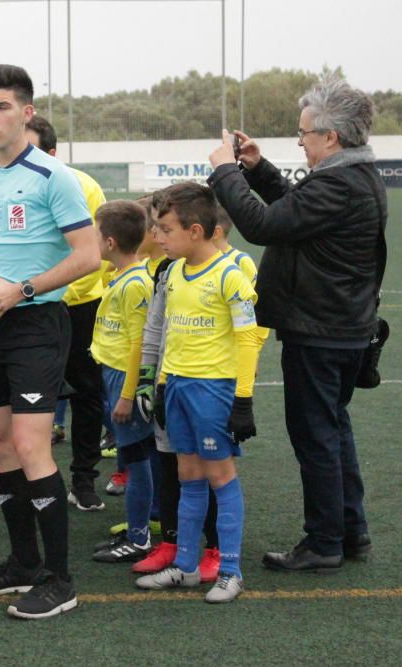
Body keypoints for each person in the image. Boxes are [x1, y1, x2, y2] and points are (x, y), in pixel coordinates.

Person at [207, 75, 386, 572]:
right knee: (332, 429)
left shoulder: (339, 183)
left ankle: (325, 540)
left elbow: (265, 225)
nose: (301, 142)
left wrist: (226, 173)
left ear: (331, 137)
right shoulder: (354, 176)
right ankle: (350, 532)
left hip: (322, 329)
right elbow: (293, 210)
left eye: (303, 134)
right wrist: (258, 169)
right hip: (341, 325)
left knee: (316, 435)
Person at [0, 64, 99, 620]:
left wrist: (21, 289)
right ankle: (23, 564)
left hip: (35, 320)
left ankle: (61, 581)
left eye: (2, 107)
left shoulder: (52, 176)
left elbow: (88, 255)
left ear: (26, 112)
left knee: (32, 444)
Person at [133, 183, 260, 604]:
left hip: (214, 392)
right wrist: (164, 384)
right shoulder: (172, 274)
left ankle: (231, 571)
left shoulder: (230, 275)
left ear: (196, 230)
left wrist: (243, 400)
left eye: (165, 229)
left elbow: (248, 341)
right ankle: (186, 568)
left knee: (220, 478)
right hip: (179, 389)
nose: (159, 238)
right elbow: (172, 337)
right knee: (188, 477)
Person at [24, 115, 108, 511]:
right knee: (28, 397)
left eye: (33, 150)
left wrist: (57, 287)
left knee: (89, 394)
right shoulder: (9, 185)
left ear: (53, 154)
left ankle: (83, 479)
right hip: (29, 308)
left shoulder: (85, 187)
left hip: (80, 307)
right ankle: (30, 478)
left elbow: (98, 252)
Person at [87, 200, 156, 563]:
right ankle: (137, 531)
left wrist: (127, 395)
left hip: (122, 378)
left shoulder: (135, 285)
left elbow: (138, 343)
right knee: (134, 457)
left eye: (96, 235)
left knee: (135, 458)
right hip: (113, 373)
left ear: (110, 242)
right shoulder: (123, 277)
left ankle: (140, 537)